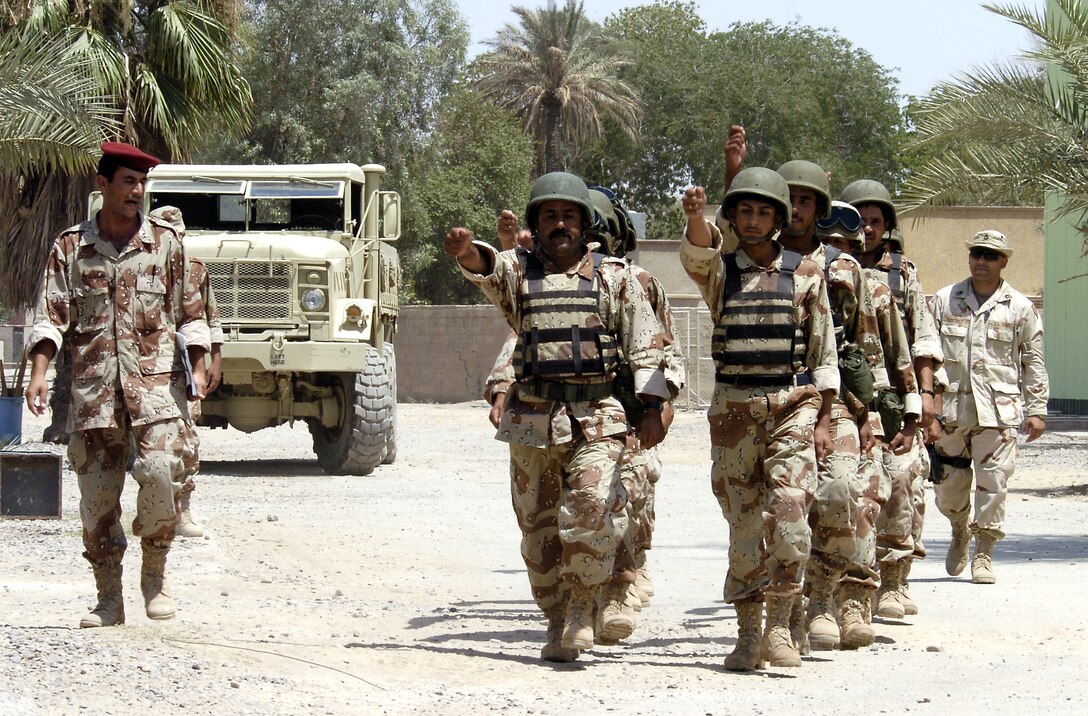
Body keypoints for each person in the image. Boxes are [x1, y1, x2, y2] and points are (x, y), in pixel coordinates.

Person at [444, 172, 670, 662]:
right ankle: (556, 614)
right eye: (550, 215)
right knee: (538, 528)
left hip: (599, 416)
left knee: (591, 507)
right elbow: (487, 267)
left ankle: (582, 608)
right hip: (532, 419)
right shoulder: (519, 273)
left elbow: (647, 348)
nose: (560, 224)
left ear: (585, 224)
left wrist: (654, 408)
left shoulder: (616, 279)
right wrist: (467, 252)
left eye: (569, 215)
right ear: (536, 223)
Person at [24, 142, 211, 628]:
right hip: (94, 396)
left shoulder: (167, 244)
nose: (138, 191)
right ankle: (109, 600)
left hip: (155, 393)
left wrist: (201, 361)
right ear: (103, 185)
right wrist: (41, 372)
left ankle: (154, 576)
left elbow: (192, 313)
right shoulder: (70, 248)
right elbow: (50, 317)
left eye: (142, 183)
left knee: (161, 473)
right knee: (97, 503)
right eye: (128, 181)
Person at [680, 168, 839, 671]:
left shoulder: (807, 274)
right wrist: (694, 218)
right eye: (743, 211)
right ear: (732, 217)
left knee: (790, 517)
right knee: (744, 524)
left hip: (792, 404)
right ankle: (748, 634)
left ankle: (781, 626)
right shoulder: (722, 272)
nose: (752, 220)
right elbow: (698, 253)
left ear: (778, 217)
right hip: (733, 411)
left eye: (762, 211)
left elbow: (824, 350)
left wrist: (825, 418)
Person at [772, 162, 890, 653]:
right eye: (789, 198)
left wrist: (875, 415)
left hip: (836, 399)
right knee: (784, 508)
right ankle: (788, 607)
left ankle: (823, 595)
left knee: (841, 491)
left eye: (806, 199)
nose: (796, 208)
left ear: (818, 208)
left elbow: (868, 346)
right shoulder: (759, 261)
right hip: (772, 401)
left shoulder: (847, 272)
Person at [817, 200, 921, 643]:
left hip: (865, 412)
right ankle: (812, 600)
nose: (834, 253)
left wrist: (914, 411)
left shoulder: (878, 291)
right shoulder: (797, 284)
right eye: (827, 243)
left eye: (843, 245)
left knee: (863, 500)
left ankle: (856, 600)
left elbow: (901, 355)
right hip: (805, 409)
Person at [841, 179, 942, 619]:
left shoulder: (902, 273)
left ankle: (896, 581)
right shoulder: (825, 265)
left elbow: (921, 338)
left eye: (875, 220)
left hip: (893, 395)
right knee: (849, 488)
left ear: (886, 226)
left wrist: (926, 397)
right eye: (859, 218)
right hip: (843, 395)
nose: (867, 227)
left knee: (903, 482)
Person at [928, 230, 1048, 584]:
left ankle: (983, 551)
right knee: (948, 487)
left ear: (1003, 261)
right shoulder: (945, 299)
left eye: (990, 255)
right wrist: (927, 405)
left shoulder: (1020, 308)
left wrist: (1037, 409)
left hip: (999, 412)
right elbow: (927, 355)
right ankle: (958, 527)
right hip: (951, 413)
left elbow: (1034, 361)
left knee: (994, 483)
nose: (981, 261)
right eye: (977, 254)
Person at [149, 205, 224, 538]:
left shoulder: (194, 269)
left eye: (177, 234)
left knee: (186, 442)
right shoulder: (138, 268)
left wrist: (213, 362)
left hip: (180, 372)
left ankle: (182, 513)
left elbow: (209, 319)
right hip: (145, 372)